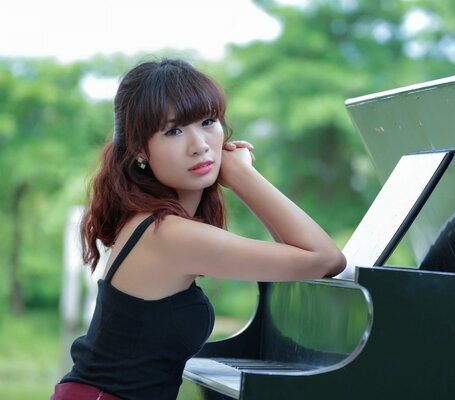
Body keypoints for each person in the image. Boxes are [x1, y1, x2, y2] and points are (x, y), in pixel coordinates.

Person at [51, 58, 346, 400]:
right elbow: (325, 258)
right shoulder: (169, 234)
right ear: (140, 150)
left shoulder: (156, 223)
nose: (199, 144)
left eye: (208, 122)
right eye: (173, 130)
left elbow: (301, 258)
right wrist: (242, 176)